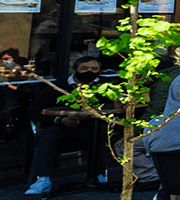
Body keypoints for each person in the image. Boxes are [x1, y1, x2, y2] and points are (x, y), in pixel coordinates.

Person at [25, 57, 120, 195]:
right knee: (49, 133)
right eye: (84, 68)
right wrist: (60, 120)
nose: (89, 72)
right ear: (74, 71)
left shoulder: (105, 87)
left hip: (91, 127)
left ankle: (99, 175)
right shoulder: (58, 87)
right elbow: (32, 111)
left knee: (99, 132)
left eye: (94, 69)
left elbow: (116, 106)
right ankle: (42, 179)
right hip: (62, 128)